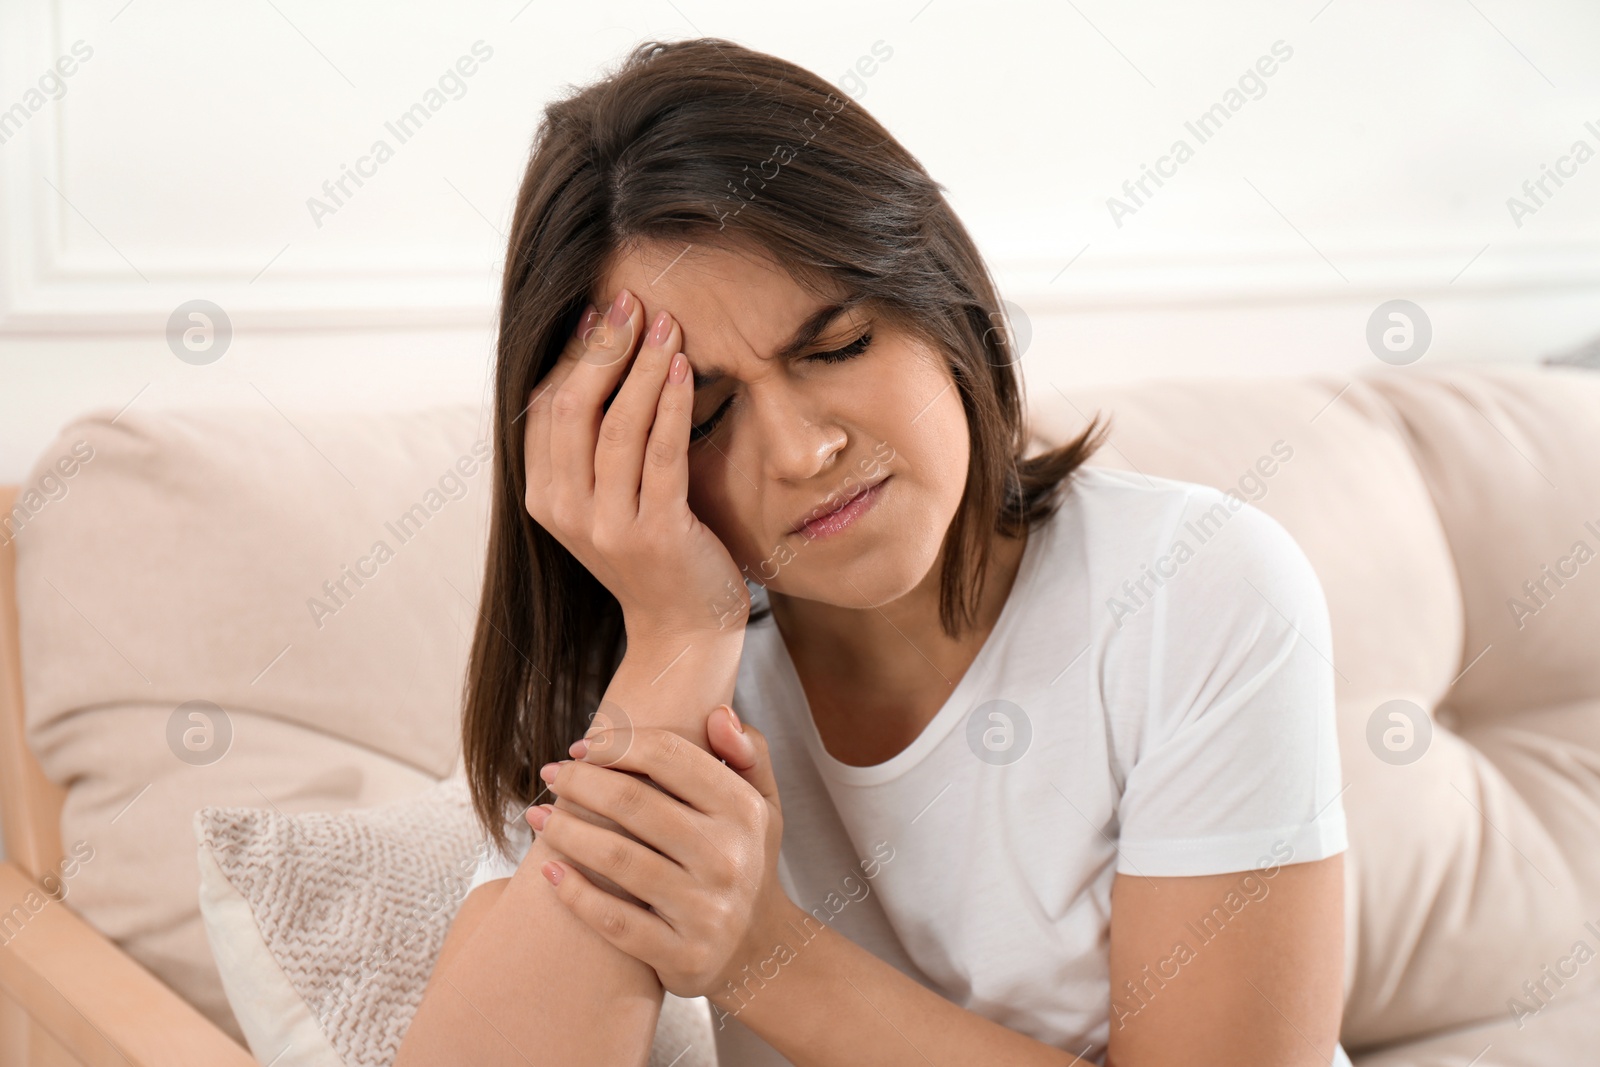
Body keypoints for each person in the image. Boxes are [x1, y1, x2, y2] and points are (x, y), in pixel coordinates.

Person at [397, 36, 1352, 1067]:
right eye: (706, 416)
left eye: (838, 346)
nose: (806, 452)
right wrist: (679, 632)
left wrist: (759, 952)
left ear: (939, 302)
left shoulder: (1198, 584)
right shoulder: (640, 652)